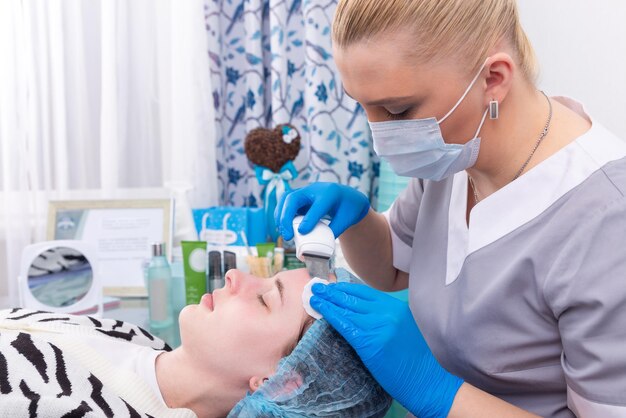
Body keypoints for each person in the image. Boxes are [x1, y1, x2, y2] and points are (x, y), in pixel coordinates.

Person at [276, 1, 626, 417]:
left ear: (493, 79)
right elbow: (394, 265)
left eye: (397, 110)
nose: (379, 136)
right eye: (361, 104)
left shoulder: (606, 219)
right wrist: (357, 222)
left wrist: (435, 388)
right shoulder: (456, 153)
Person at [0, 268, 391, 418]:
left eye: (264, 298)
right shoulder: (134, 336)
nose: (236, 275)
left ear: (284, 381)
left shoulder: (84, 409)